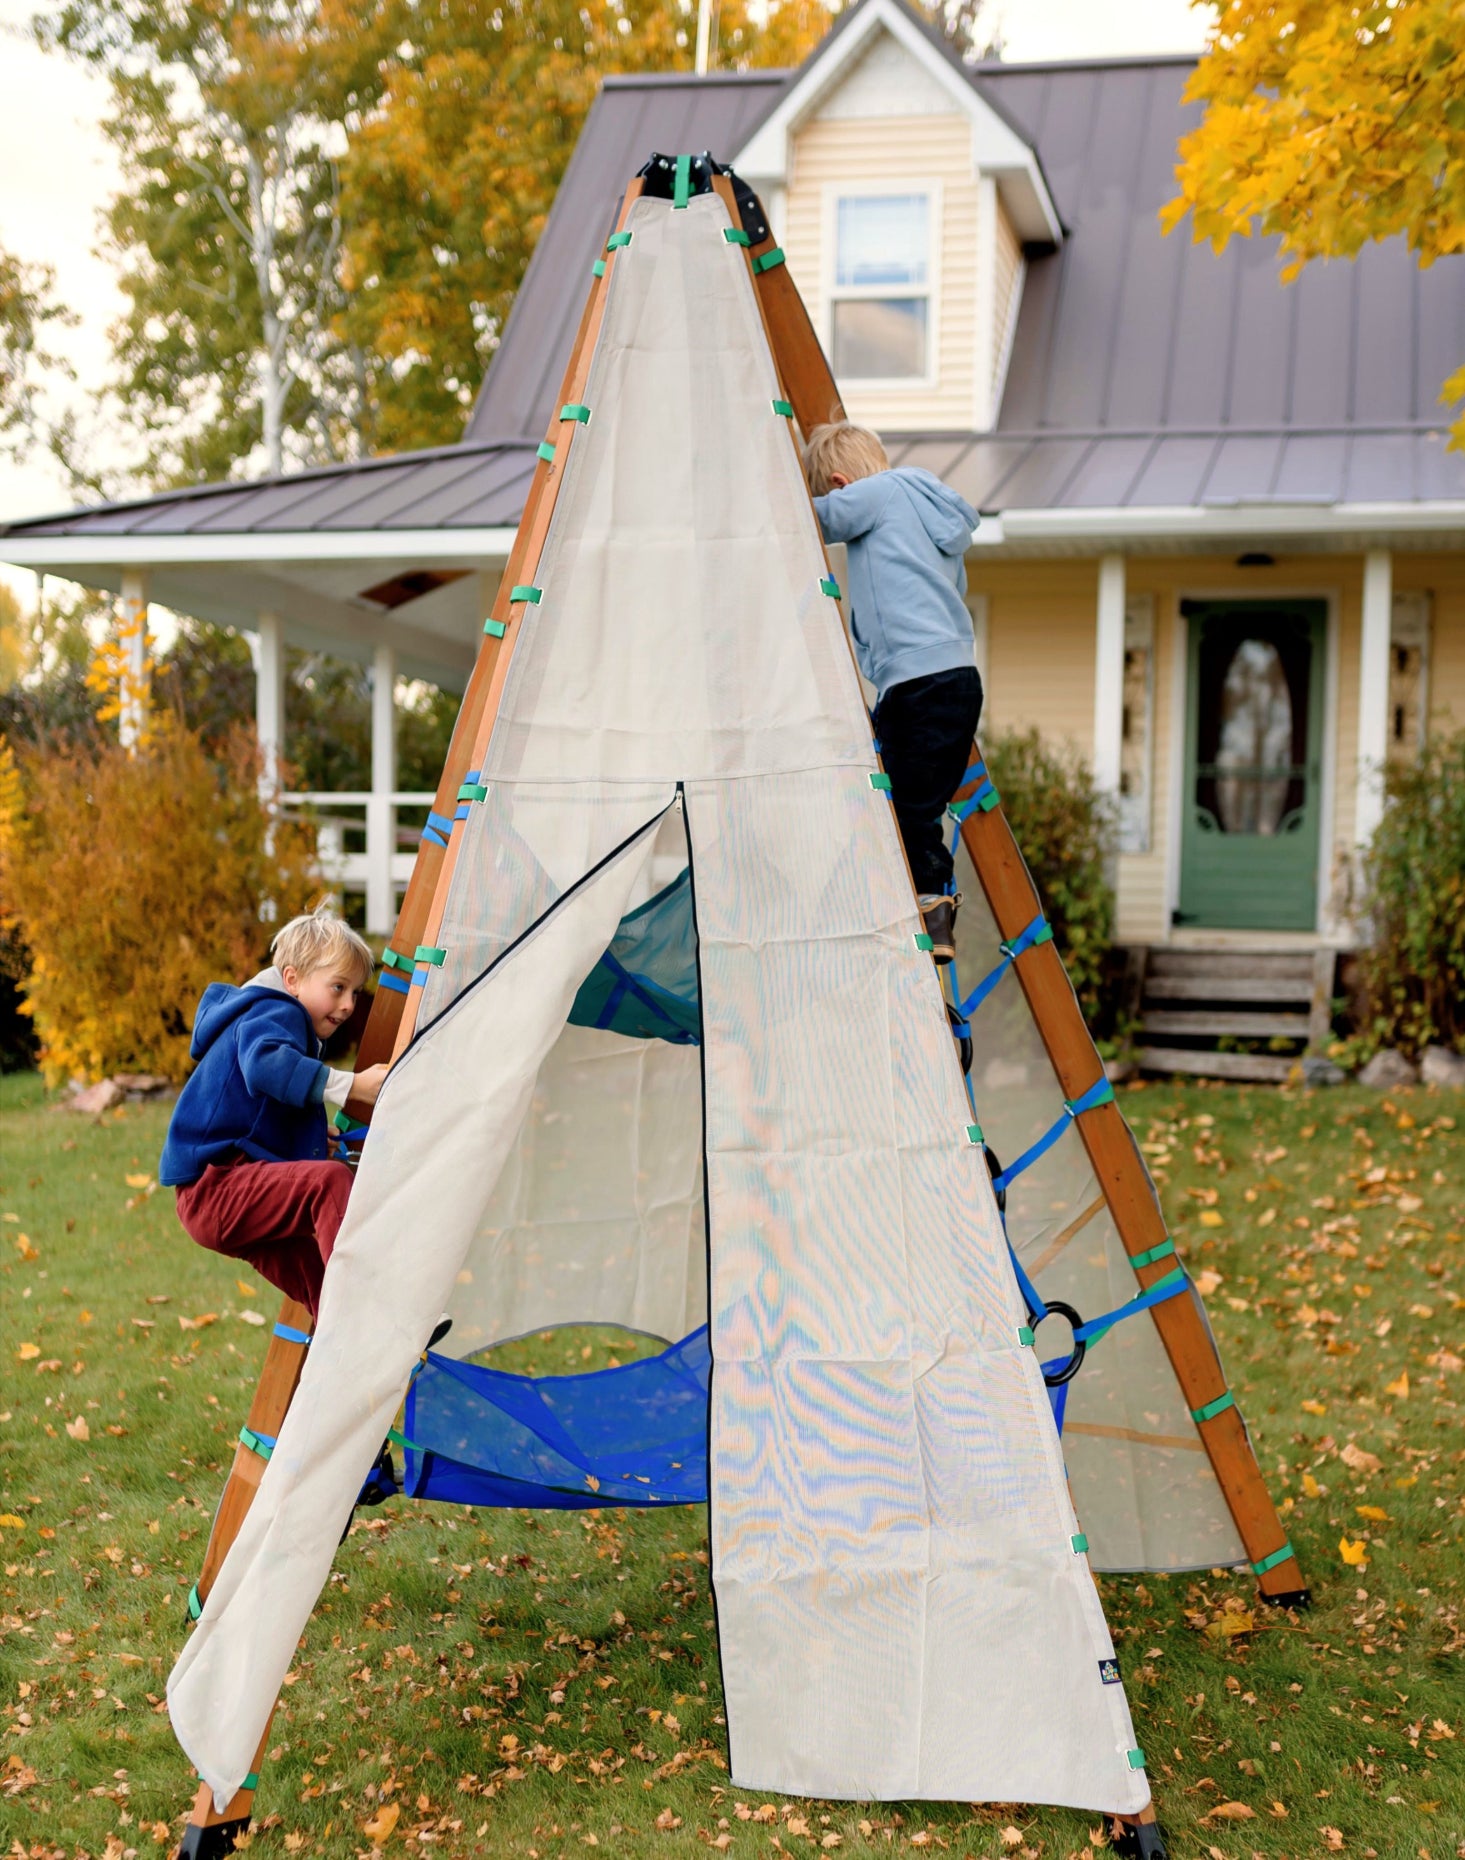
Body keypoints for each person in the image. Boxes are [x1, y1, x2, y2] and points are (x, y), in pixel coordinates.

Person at [805, 421, 982, 962]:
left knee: (905, 805)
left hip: (917, 684)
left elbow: (808, 519)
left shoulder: (877, 495)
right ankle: (911, 894)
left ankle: (932, 903)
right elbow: (955, 590)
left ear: (842, 483)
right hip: (956, 681)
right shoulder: (932, 516)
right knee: (905, 794)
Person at [159, 909, 390, 1319]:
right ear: (292, 979)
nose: (348, 1004)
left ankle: (344, 1345)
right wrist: (351, 1086)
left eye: (355, 992)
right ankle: (381, 1310)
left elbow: (259, 1108)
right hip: (217, 1188)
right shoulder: (275, 1011)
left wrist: (316, 1140)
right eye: (337, 987)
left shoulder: (271, 1018)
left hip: (219, 1194)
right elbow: (265, 1066)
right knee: (329, 1183)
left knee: (315, 1277)